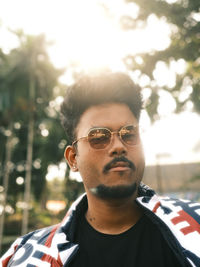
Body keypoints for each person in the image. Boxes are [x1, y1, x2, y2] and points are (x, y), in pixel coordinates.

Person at [1, 72, 200, 267]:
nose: (118, 146)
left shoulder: (195, 227)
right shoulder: (25, 257)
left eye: (129, 134)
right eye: (99, 137)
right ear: (73, 158)